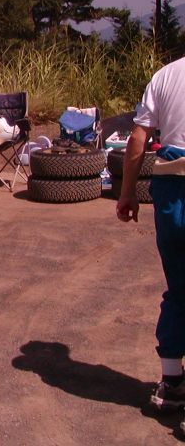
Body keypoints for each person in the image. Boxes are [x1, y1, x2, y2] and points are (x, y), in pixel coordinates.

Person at [116, 56, 185, 418]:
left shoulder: (166, 75)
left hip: (171, 190)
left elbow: (137, 139)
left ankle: (172, 384)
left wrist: (127, 193)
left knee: (179, 287)